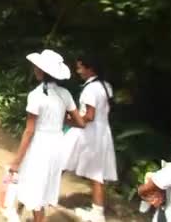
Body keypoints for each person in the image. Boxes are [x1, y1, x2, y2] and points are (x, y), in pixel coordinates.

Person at [8, 49, 85, 222]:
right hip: (57, 145)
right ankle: (18, 212)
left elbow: (29, 131)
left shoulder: (35, 96)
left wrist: (16, 161)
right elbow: (80, 123)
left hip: (40, 146)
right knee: (42, 189)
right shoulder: (65, 94)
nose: (34, 69)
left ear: (42, 71)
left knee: (36, 194)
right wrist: (62, 121)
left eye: (37, 67)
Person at [62, 55, 118, 222]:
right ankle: (97, 212)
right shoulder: (106, 86)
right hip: (102, 133)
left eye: (80, 67)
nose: (78, 71)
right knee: (97, 173)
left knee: (61, 159)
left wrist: (68, 120)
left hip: (86, 133)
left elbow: (89, 116)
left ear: (90, 68)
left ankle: (44, 193)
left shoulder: (90, 89)